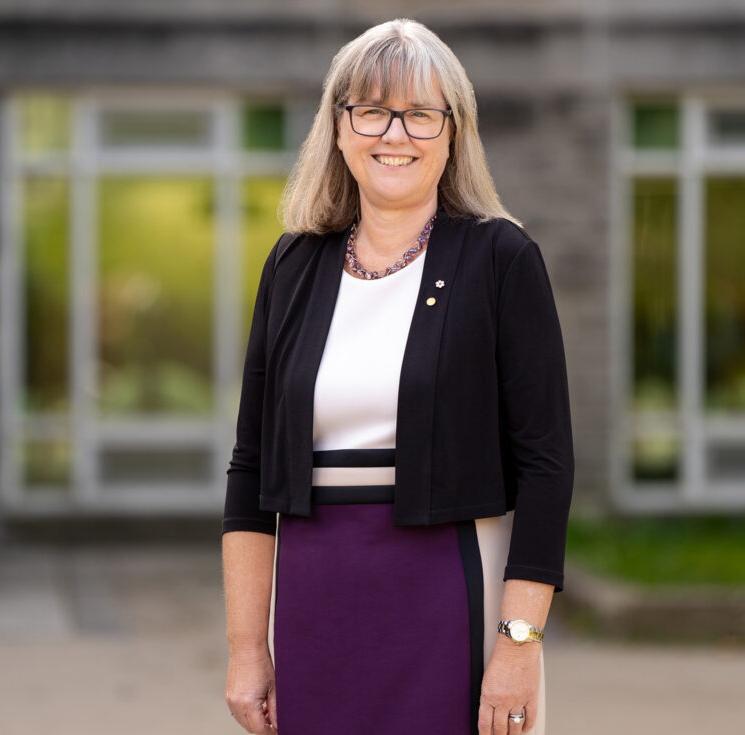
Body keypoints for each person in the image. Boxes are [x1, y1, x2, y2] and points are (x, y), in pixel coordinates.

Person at [222, 17, 573, 735]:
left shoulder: (500, 260)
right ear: (339, 127)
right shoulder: (293, 266)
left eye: (420, 114)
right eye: (373, 110)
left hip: (451, 584)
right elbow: (249, 468)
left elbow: (547, 466)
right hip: (317, 592)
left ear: (453, 132)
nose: (395, 133)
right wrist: (246, 647)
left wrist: (518, 647)